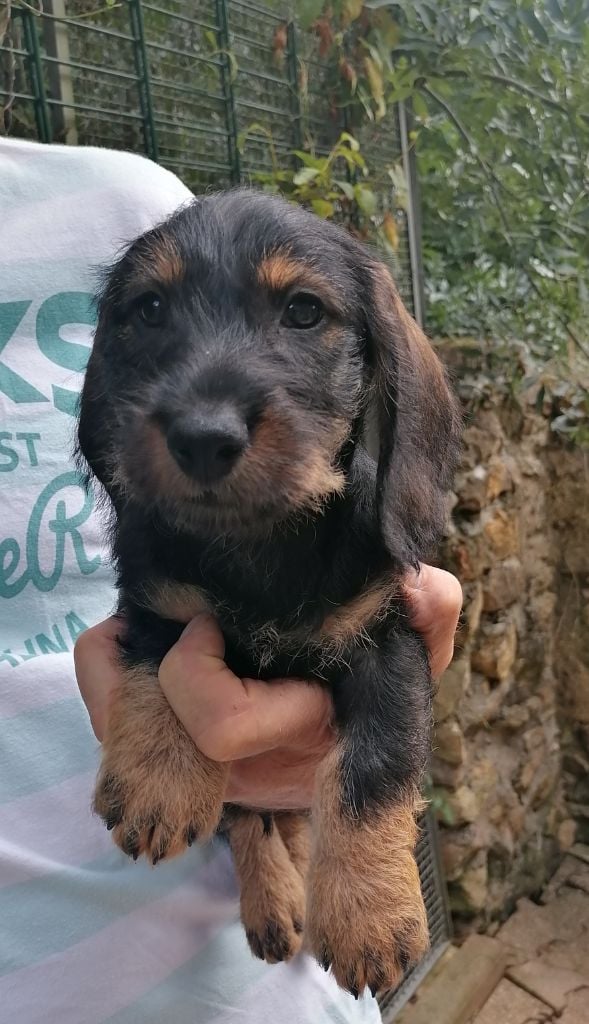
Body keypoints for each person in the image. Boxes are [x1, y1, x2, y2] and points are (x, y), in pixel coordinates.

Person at [0, 136, 462, 1023]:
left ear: (379, 371)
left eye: (302, 312)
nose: (208, 419)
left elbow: (387, 663)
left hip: (259, 998)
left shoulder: (124, 194)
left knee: (373, 649)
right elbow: (145, 624)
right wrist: (153, 707)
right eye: (151, 313)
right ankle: (258, 854)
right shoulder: (162, 550)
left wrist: (361, 841)